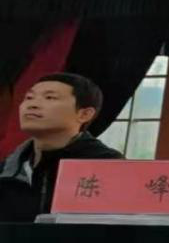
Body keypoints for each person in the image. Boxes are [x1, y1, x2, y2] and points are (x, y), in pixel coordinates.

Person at [0, 73, 122, 222]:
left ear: (84, 114)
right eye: (29, 98)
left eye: (50, 98)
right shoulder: (7, 169)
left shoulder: (109, 166)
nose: (32, 105)